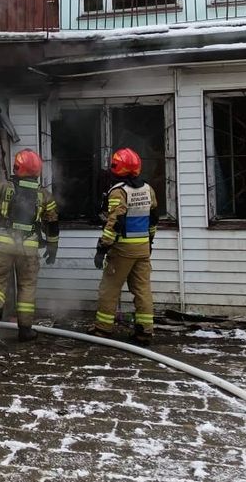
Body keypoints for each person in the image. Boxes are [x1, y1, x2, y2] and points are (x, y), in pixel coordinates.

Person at [0, 149, 59, 342]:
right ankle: (25, 329)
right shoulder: (44, 196)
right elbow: (53, 223)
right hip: (28, 247)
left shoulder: (1, 188)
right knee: (27, 286)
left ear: (17, 167)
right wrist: (52, 247)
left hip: (2, 244)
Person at [92, 148, 158, 345]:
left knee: (109, 288)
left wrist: (102, 247)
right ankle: (144, 332)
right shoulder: (148, 189)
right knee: (142, 290)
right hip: (143, 247)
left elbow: (115, 222)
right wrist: (150, 242)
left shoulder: (118, 191)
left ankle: (103, 329)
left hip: (122, 249)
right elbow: (153, 220)